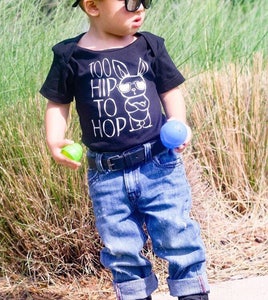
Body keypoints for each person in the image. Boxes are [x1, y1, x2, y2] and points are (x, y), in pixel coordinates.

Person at [40, 0, 210, 299]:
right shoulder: (69, 56)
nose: (141, 8)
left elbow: (170, 89)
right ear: (93, 7)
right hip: (106, 177)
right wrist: (55, 140)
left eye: (145, 1)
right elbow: (58, 102)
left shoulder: (149, 46)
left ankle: (192, 293)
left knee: (177, 234)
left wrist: (179, 122)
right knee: (121, 248)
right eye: (130, 3)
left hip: (159, 166)